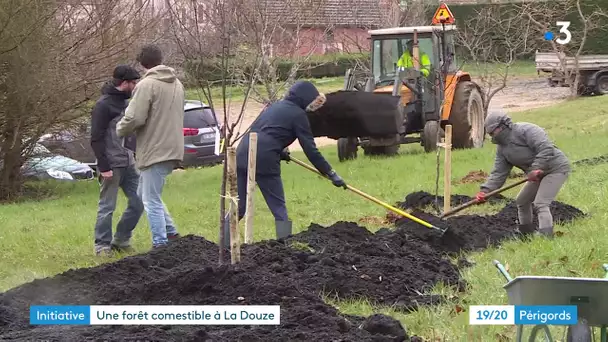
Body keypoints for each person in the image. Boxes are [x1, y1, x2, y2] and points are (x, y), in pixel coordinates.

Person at [233, 80, 346, 241]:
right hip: (265, 158)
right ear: (306, 99)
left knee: (239, 206)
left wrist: (281, 150)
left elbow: (266, 131)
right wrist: (330, 172)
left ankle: (223, 245)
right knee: (278, 207)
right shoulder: (298, 115)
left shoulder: (274, 107)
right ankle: (285, 246)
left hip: (242, 152)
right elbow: (310, 149)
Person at [116, 44, 185, 248]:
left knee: (150, 200)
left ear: (142, 63)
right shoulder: (177, 83)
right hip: (173, 147)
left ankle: (161, 244)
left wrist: (118, 130)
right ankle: (171, 233)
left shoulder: (147, 85)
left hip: (155, 149)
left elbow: (135, 117)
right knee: (145, 194)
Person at [476, 110, 570, 238]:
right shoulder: (502, 149)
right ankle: (525, 233)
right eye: (490, 133)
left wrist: (536, 168)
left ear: (503, 126)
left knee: (541, 203)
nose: (492, 136)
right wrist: (486, 191)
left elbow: (546, 147)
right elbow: (499, 172)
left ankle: (546, 236)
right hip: (536, 175)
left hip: (555, 168)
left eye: (493, 132)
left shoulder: (526, 130)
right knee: (522, 200)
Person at [90, 65, 144, 256]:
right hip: (111, 165)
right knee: (107, 207)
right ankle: (102, 246)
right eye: (133, 82)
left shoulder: (127, 103)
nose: (135, 85)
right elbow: (95, 138)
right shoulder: (103, 106)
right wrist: (104, 167)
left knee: (139, 202)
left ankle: (121, 240)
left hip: (129, 163)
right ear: (124, 83)